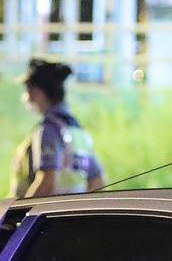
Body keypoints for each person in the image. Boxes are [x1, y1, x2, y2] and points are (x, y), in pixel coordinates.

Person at [11, 58, 107, 198]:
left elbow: (46, 182)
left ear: (37, 92)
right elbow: (98, 181)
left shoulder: (49, 130)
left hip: (48, 217)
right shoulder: (78, 131)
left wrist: (23, 214)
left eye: (29, 90)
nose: (27, 96)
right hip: (68, 216)